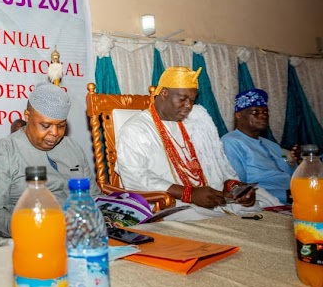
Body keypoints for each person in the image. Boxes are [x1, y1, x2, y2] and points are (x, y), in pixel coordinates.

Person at [116, 66, 280, 221]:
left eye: (192, 100)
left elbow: (219, 161)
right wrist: (189, 193)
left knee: (262, 199)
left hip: (213, 197)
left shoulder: (198, 119)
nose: (188, 106)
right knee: (193, 216)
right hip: (170, 202)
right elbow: (135, 178)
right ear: (164, 93)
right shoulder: (136, 129)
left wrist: (234, 187)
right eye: (183, 99)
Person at [0, 82, 98, 239]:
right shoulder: (4, 152)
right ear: (27, 116)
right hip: (29, 236)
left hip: (80, 233)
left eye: (61, 126)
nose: (54, 133)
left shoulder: (73, 148)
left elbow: (94, 197)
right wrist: (32, 228)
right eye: (46, 125)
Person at [221, 89, 293, 204]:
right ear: (238, 115)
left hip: (298, 194)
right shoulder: (231, 142)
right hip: (266, 199)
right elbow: (238, 187)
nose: (263, 116)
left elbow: (291, 174)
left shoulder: (273, 145)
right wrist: (289, 196)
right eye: (255, 112)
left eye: (265, 112)